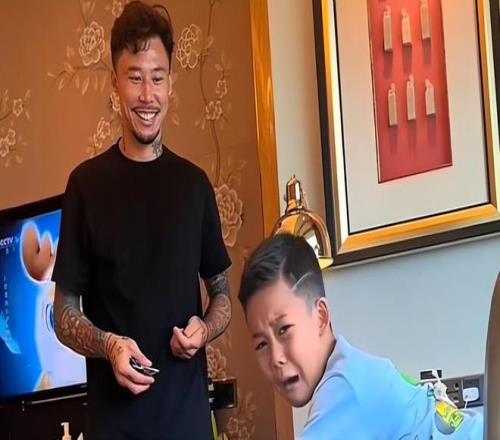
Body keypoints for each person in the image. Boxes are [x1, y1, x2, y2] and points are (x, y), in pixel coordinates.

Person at [52, 2, 232, 439]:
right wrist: (108, 344)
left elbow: (222, 295)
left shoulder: (194, 186)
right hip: (115, 426)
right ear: (115, 83)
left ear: (171, 82)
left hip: (188, 422)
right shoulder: (85, 185)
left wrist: (204, 329)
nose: (148, 96)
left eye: (157, 77)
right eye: (135, 78)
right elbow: (63, 313)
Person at [238, 233, 483, 439]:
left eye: (284, 330)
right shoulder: (352, 369)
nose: (275, 358)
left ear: (321, 316)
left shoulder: (345, 388)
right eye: (261, 344)